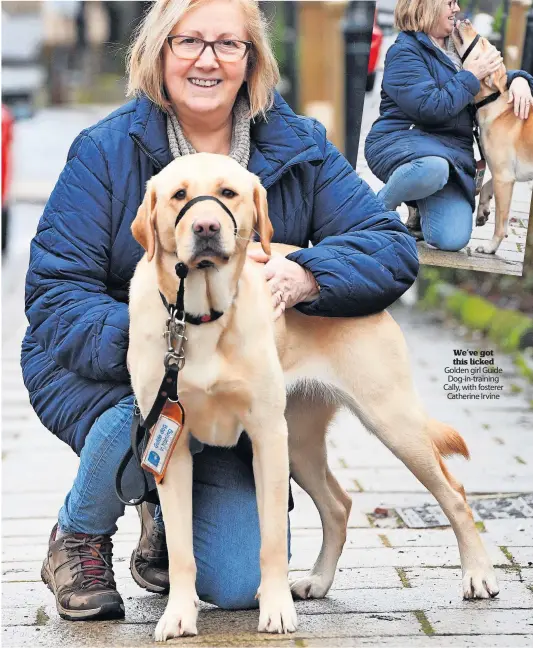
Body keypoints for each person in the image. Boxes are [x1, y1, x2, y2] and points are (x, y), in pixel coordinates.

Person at [22, 0, 418, 622]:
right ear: (160, 52)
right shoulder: (105, 151)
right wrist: (151, 337)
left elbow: (389, 244)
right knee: (144, 415)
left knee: (237, 585)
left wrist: (309, 272)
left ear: (251, 60)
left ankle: (169, 522)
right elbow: (53, 292)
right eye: (189, 42)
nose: (207, 60)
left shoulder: (298, 148)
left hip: (234, 383)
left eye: (228, 45)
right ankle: (78, 535)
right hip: (103, 373)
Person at [365, 0, 533, 251]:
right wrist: (470, 76)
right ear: (428, 7)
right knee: (433, 167)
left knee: (453, 238)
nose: (456, 9)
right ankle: (372, 215)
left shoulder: (455, 43)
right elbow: (431, 108)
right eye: (449, 3)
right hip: (401, 143)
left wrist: (519, 79)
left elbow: (488, 78)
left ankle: (420, 204)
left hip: (449, 154)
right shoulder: (404, 52)